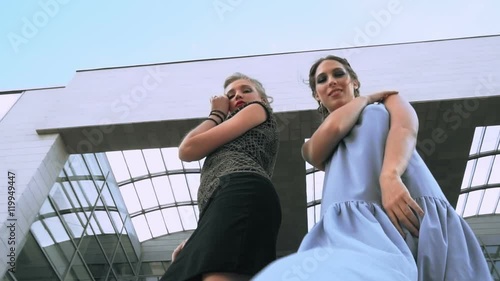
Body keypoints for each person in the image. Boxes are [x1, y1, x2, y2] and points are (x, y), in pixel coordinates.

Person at [252, 55, 492, 281]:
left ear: (354, 81)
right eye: (322, 80)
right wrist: (364, 99)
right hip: (358, 225)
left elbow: (405, 129)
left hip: (412, 203)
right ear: (317, 95)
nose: (332, 81)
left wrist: (391, 176)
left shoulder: (390, 101)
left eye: (339, 74)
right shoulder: (314, 145)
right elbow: (331, 133)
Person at [160, 73, 282, 281]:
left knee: (218, 271)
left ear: (263, 99)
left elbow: (188, 150)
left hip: (241, 187)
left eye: (246, 90)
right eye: (231, 95)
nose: (238, 96)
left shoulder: (257, 109)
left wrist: (216, 113)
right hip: (224, 199)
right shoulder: (235, 130)